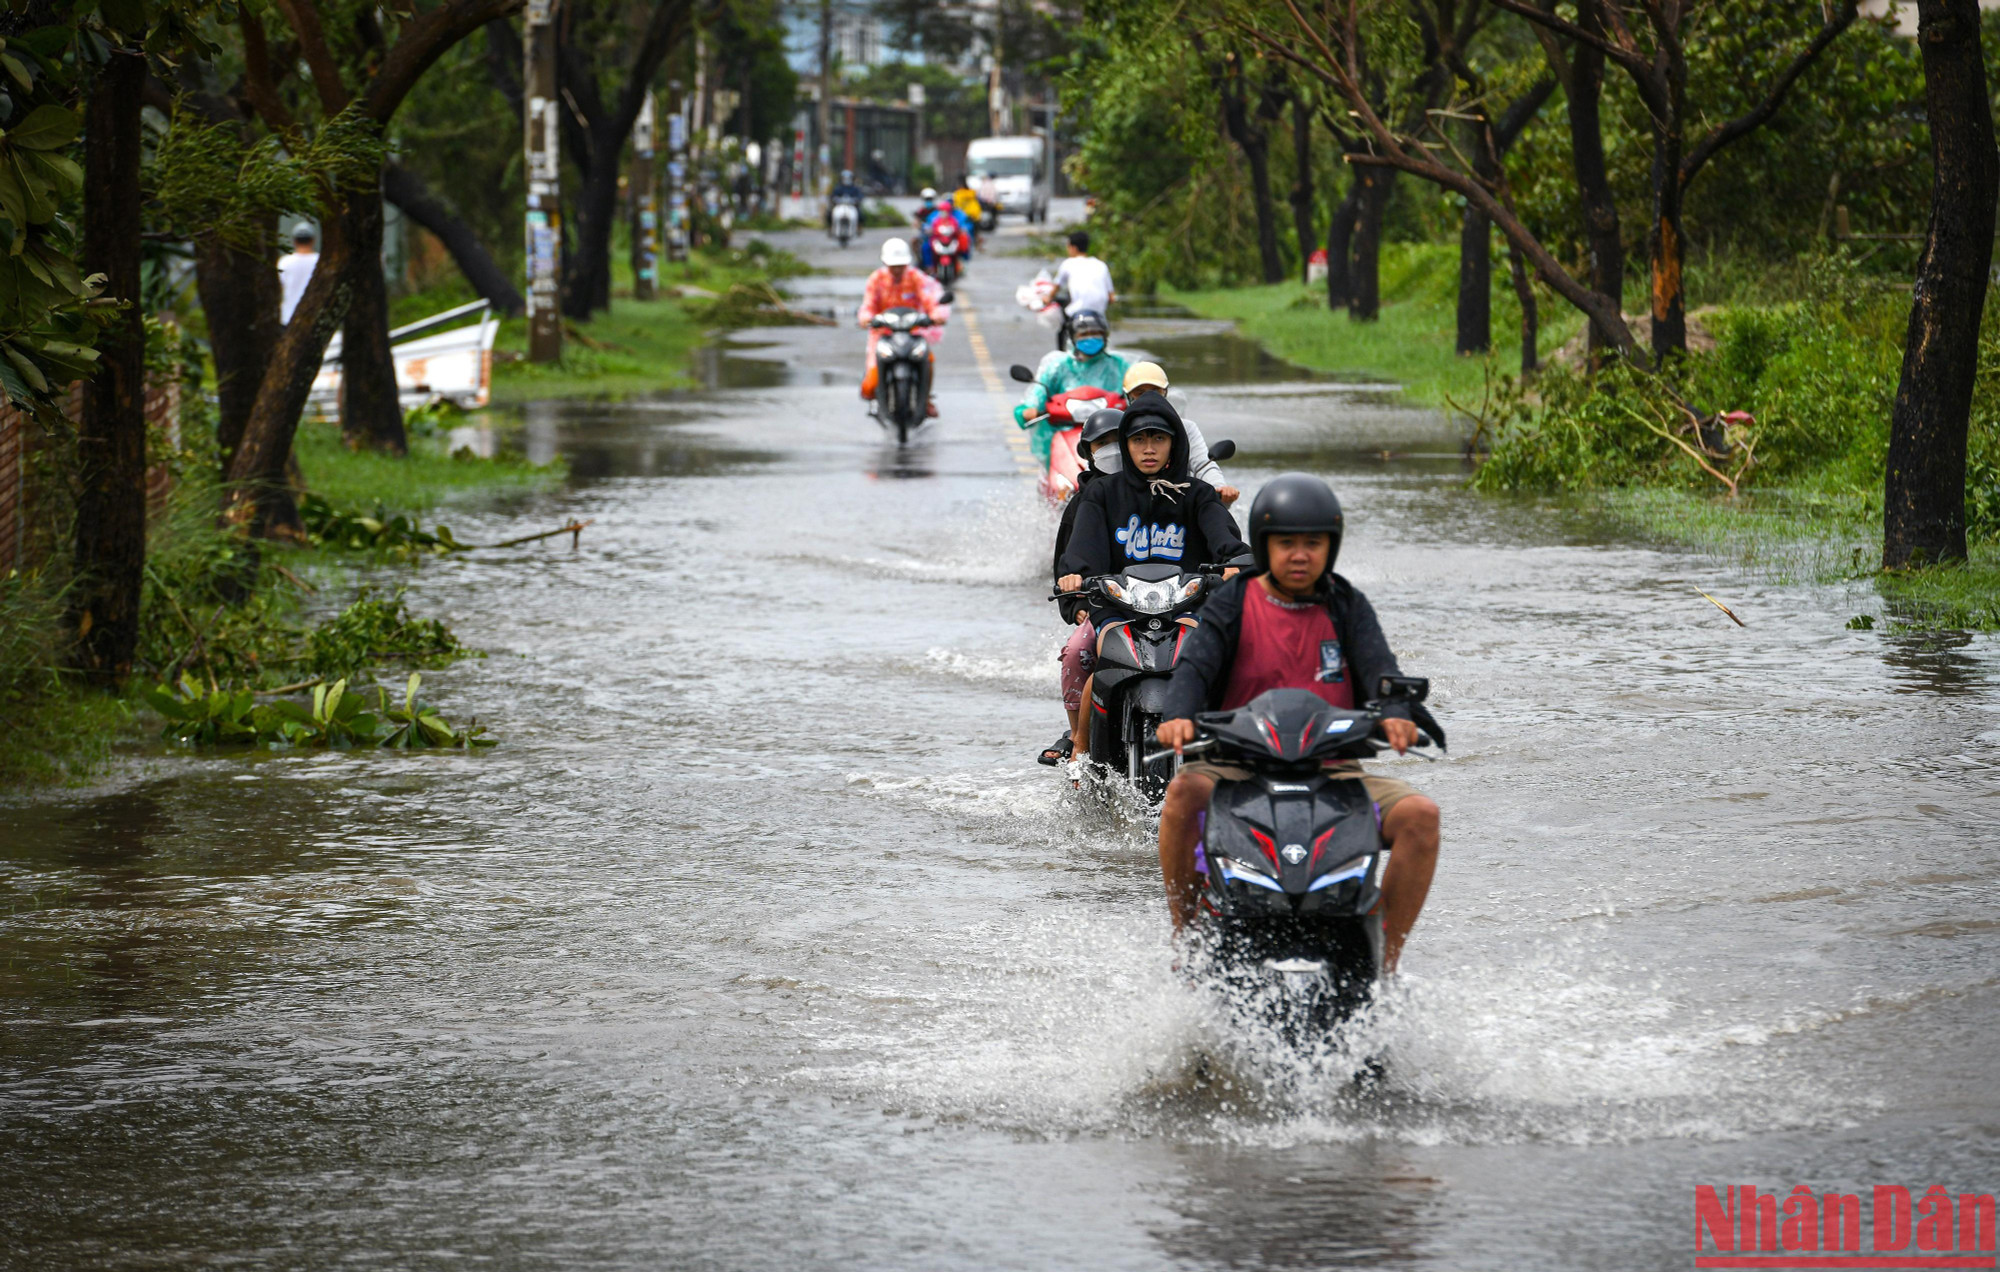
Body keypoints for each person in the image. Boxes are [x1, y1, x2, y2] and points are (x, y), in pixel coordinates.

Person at [1153, 474, 1441, 973]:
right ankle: (1186, 935)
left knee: (1421, 816)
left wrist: (1395, 716)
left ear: (1332, 546)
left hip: (1333, 768)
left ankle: (1384, 960)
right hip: (1235, 764)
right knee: (1181, 795)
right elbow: (1194, 668)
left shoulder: (1346, 604)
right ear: (1265, 545)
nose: (1301, 555)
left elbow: (1381, 673)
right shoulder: (1232, 601)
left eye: (1314, 543)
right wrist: (1178, 716)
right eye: (1287, 543)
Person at [1056, 393, 1251, 761]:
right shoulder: (1101, 493)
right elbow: (1081, 550)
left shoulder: (1197, 494)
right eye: (1139, 439)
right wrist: (1075, 578)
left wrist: (1238, 562)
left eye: (1158, 439)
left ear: (1174, 443)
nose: (1149, 449)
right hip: (1117, 607)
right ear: (1126, 443)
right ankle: (1079, 746)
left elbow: (1227, 541)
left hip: (1187, 606)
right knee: (1078, 654)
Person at [1039, 407, 1126, 765]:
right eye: (1102, 443)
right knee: (1078, 653)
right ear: (1087, 452)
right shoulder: (1084, 502)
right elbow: (1067, 562)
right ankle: (1077, 739)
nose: (1112, 450)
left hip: (1167, 605)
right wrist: (1077, 605)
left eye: (1119, 441)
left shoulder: (1164, 493)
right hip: (1106, 607)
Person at [1107, 361, 1239, 506]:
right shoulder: (1117, 428)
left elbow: (1203, 465)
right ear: (1128, 396)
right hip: (1128, 503)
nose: (1149, 449)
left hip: (1177, 501)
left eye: (1160, 438)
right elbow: (1104, 466)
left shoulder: (1186, 427)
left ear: (1165, 392)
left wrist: (1218, 487)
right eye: (1140, 393)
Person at [1013, 309, 1126, 467]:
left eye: (1095, 333)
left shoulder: (1120, 365)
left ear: (1105, 335)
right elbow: (1036, 396)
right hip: (1063, 432)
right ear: (1073, 338)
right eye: (1083, 334)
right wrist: (1027, 410)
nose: (1090, 338)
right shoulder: (1058, 366)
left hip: (1110, 434)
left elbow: (1136, 390)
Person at [857, 237, 947, 417]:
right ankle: (877, 400)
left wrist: (936, 315)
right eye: (893, 265)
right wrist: (866, 318)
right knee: (868, 386)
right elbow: (867, 306)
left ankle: (926, 398)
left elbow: (930, 299)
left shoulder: (916, 277)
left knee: (927, 359)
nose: (897, 269)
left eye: (901, 265)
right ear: (885, 262)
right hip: (882, 334)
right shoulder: (876, 279)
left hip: (912, 331)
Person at [1054, 230, 1114, 321]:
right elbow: (1111, 297)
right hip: (1099, 316)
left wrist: (1046, 299)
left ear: (1073, 248)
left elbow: (1055, 288)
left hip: (1079, 314)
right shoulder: (1101, 265)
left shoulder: (1068, 264)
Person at [277, 222, 319, 325]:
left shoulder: (284, 262)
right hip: (314, 317)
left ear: (294, 241)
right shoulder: (320, 261)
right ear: (313, 240)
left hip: (288, 316)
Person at [951, 174, 983, 240]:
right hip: (974, 215)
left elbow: (956, 205)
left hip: (964, 216)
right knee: (974, 233)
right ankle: (976, 241)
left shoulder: (958, 194)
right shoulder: (971, 193)